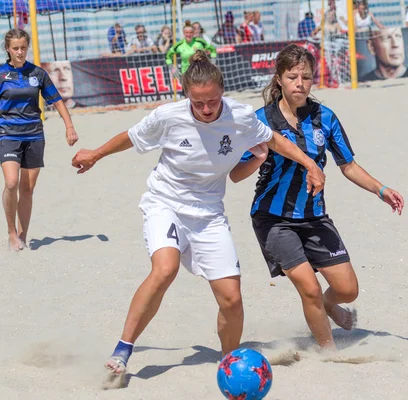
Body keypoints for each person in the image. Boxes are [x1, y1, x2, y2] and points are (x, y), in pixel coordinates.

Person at [70, 50, 325, 381]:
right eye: (198, 102)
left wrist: (309, 164)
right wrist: (96, 154)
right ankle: (123, 349)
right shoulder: (168, 116)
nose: (206, 109)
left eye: (213, 102)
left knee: (232, 299)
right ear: (187, 94)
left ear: (221, 93)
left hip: (208, 214)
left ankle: (228, 363)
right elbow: (131, 138)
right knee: (165, 269)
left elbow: (273, 139)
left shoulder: (240, 116)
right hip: (166, 203)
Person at [229, 44, 404, 351]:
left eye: (306, 77)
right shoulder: (260, 120)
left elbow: (347, 165)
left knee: (347, 290)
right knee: (308, 287)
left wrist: (381, 189)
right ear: (279, 79)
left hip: (314, 216)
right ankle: (329, 352)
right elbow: (235, 174)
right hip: (273, 219)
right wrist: (256, 158)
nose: (300, 83)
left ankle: (329, 305)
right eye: (293, 76)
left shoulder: (325, 117)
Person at [0, 29, 79, 251]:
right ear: (7, 48)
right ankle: (11, 232)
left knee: (27, 188)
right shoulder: (1, 74)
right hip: (7, 134)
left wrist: (69, 126)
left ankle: (23, 234)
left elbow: (57, 100)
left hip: (34, 134)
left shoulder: (38, 73)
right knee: (11, 182)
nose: (19, 52)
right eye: (15, 48)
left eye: (23, 47)